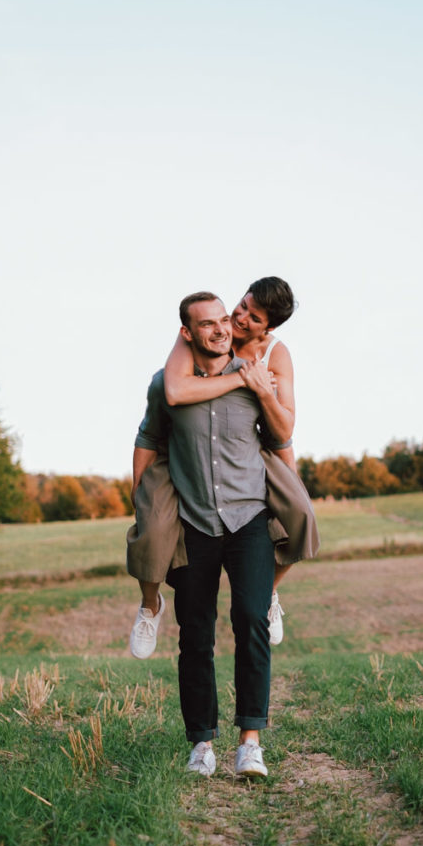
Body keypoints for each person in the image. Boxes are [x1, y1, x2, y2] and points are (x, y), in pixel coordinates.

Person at [131, 292, 289, 777]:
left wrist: (263, 391)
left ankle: (250, 743)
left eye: (226, 320)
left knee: (250, 621)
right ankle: (201, 744)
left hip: (249, 521)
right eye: (208, 324)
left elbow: (283, 435)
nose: (222, 328)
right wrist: (143, 501)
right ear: (188, 333)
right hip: (194, 523)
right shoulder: (166, 384)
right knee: (195, 635)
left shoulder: (255, 376)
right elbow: (147, 439)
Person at [128, 277, 317, 659]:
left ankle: (270, 592)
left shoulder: (276, 355)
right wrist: (239, 380)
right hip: (186, 448)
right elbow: (176, 392)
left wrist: (262, 389)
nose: (238, 316)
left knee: (300, 514)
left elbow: (284, 430)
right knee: (152, 526)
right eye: (242, 305)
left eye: (253, 316)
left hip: (251, 445)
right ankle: (150, 605)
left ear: (269, 328)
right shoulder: (201, 335)